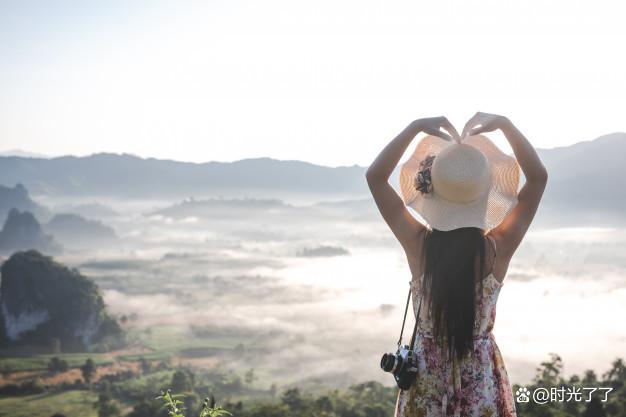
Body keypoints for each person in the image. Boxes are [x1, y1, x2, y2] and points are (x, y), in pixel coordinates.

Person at [365, 112, 548, 417]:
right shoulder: (497, 249)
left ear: (432, 190)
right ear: (485, 193)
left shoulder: (418, 245)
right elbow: (539, 178)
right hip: (481, 383)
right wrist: (505, 124)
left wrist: (414, 128)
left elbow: (375, 177)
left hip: (426, 384)